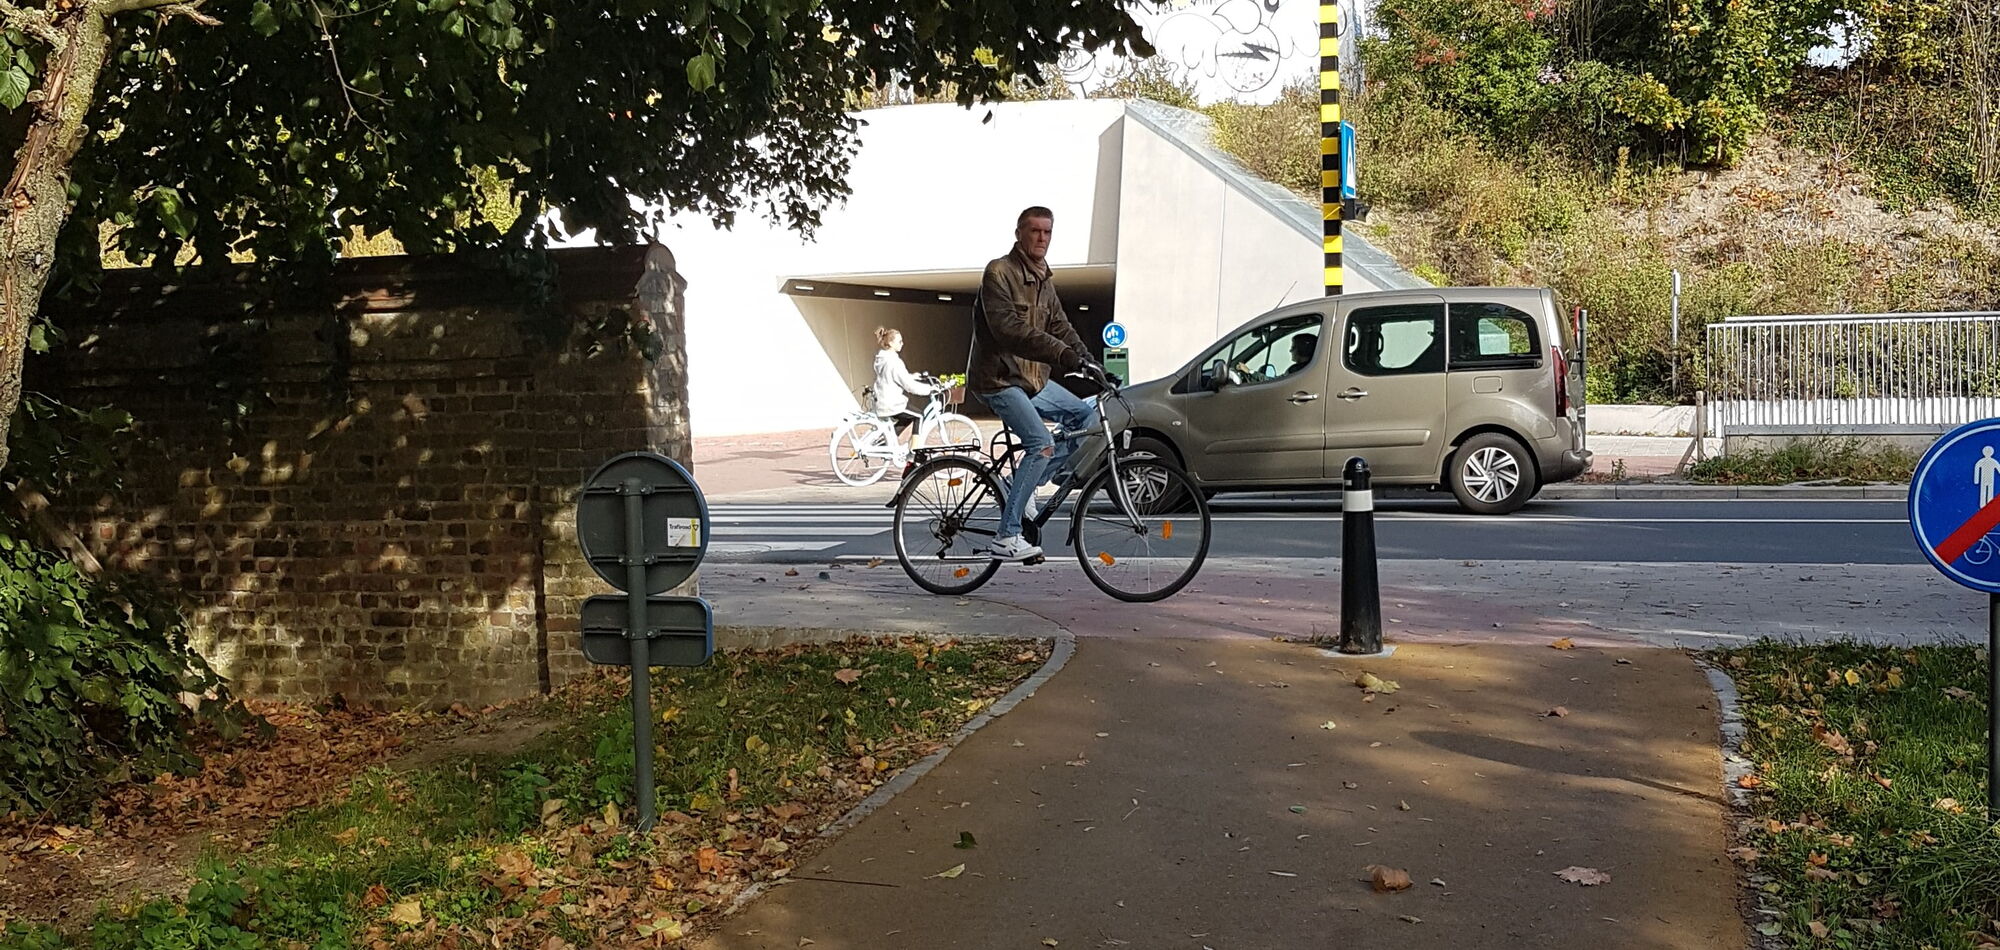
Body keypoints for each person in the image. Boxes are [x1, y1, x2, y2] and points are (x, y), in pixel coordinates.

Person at [968, 206, 1103, 561]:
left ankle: (1024, 486)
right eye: (1035, 231)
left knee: (1086, 421)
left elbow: (1060, 325)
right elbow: (1009, 329)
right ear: (1019, 233)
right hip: (999, 379)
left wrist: (1088, 361)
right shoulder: (999, 272)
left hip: (1033, 380)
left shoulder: (1044, 278)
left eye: (1047, 232)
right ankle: (1006, 535)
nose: (1041, 238)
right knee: (1041, 443)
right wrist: (1063, 356)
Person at [870, 327, 935, 454]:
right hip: (891, 403)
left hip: (882, 400)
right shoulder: (894, 362)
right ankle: (914, 453)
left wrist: (911, 376)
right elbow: (909, 386)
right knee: (919, 416)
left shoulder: (882, 359)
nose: (902, 344)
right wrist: (929, 390)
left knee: (906, 418)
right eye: (900, 341)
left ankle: (886, 443)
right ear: (891, 343)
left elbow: (892, 377)